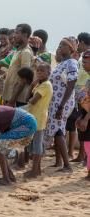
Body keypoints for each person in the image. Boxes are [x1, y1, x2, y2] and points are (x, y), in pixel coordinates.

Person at [44, 37, 79, 173]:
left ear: (71, 49)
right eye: (59, 44)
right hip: (55, 101)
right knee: (56, 129)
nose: (60, 47)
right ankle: (58, 161)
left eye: (64, 45)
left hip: (62, 102)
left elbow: (71, 83)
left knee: (58, 130)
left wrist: (61, 105)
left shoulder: (71, 63)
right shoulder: (61, 63)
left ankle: (67, 165)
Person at [23, 63, 53, 178]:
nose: (39, 73)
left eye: (42, 71)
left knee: (37, 145)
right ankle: (37, 170)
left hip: (39, 118)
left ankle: (35, 171)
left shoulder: (46, 85)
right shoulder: (39, 85)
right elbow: (27, 99)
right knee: (35, 144)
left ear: (48, 73)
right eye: (38, 71)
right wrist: (31, 86)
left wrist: (31, 96)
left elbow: (33, 101)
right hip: (34, 116)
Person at [70, 32, 90, 161]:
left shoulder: (87, 57)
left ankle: (85, 156)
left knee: (87, 128)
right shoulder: (82, 58)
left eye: (78, 43)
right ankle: (82, 155)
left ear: (81, 42)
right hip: (81, 97)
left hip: (86, 98)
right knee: (83, 128)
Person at [3, 24, 33, 107]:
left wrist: (12, 100)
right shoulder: (18, 50)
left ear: (25, 35)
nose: (14, 35)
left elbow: (23, 79)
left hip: (17, 99)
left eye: (17, 33)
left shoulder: (26, 53)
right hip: (10, 96)